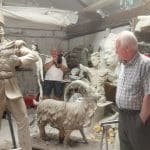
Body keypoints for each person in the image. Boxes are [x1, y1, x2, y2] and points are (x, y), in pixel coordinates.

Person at [0, 13, 38, 150]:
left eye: (1, 26)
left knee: (23, 119)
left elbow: (34, 56)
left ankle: (26, 148)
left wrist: (20, 60)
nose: (0, 29)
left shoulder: (14, 45)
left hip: (12, 87)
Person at [115, 30, 150, 150]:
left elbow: (149, 94)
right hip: (123, 116)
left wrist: (141, 121)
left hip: (137, 118)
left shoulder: (145, 64)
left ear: (127, 48)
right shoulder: (123, 64)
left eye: (117, 47)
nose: (116, 51)